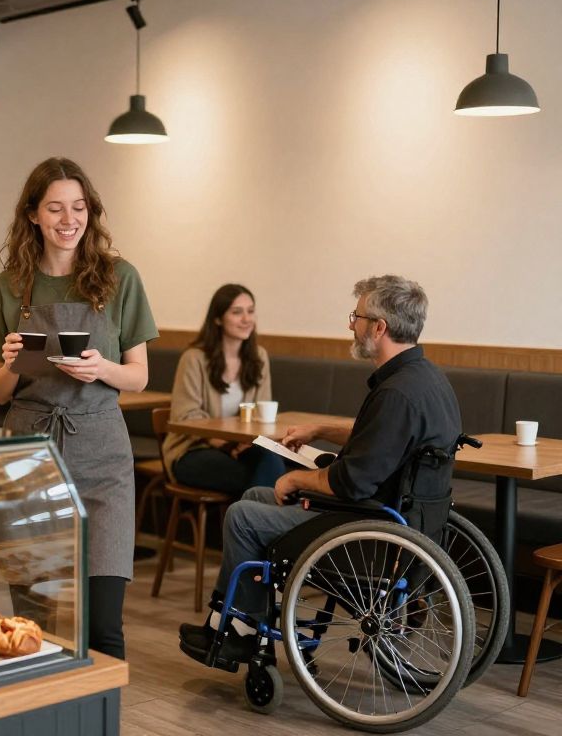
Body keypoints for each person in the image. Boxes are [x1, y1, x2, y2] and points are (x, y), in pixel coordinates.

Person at [179, 275, 461, 666]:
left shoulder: (396, 393)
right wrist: (322, 430)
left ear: (379, 328)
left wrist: (295, 478)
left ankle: (240, 629)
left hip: (364, 523)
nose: (351, 325)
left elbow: (351, 481)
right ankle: (231, 622)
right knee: (256, 494)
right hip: (403, 514)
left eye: (357, 317)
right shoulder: (426, 379)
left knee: (243, 516)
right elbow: (379, 438)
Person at [0, 157, 158, 660]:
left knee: (103, 624)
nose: (68, 219)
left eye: (78, 207)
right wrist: (13, 364)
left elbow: (139, 376)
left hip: (101, 456)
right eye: (55, 208)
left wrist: (101, 369)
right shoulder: (8, 287)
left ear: (90, 212)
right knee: (34, 621)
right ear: (33, 214)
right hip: (28, 457)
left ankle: (103, 707)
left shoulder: (119, 278)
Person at [163, 284, 285, 494]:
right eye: (237, 312)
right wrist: (227, 444)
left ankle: (250, 513)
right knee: (263, 477)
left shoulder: (259, 357)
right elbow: (186, 417)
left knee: (273, 461)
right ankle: (254, 514)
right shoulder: (194, 358)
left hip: (242, 447)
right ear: (218, 319)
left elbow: (261, 413)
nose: (246, 319)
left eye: (250, 311)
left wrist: (242, 444)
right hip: (193, 449)